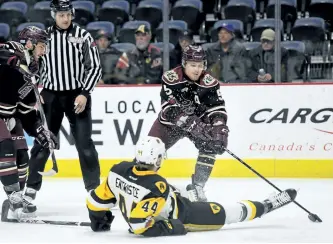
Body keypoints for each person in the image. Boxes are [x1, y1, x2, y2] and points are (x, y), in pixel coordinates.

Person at [86, 136, 297, 236]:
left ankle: (191, 193)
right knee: (228, 212)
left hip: (169, 200)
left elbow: (94, 200)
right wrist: (171, 227)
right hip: (183, 214)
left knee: (178, 189)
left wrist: (99, 221)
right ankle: (266, 205)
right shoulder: (156, 186)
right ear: (158, 159)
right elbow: (139, 225)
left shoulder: (118, 169)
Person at [25, 0, 102, 207]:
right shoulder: (43, 37)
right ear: (53, 15)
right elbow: (33, 65)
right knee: (43, 143)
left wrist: (85, 93)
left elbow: (94, 67)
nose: (65, 18)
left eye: (68, 14)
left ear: (73, 13)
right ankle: (30, 190)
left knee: (85, 145)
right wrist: (34, 93)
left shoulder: (84, 36)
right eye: (61, 15)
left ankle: (95, 190)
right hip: (50, 96)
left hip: (77, 96)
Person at [146, 44, 228, 202]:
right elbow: (169, 109)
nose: (197, 70)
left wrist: (219, 128)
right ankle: (140, 182)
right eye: (193, 65)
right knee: (150, 149)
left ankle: (198, 186)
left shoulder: (209, 83)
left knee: (210, 145)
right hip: (169, 125)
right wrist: (188, 121)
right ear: (184, 64)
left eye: (200, 65)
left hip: (199, 125)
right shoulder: (171, 78)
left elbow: (217, 108)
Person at [0, 26, 57, 220]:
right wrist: (9, 60)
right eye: (42, 46)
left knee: (22, 155)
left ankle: (15, 199)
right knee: (6, 146)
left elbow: (25, 112)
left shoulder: (33, 70)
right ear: (30, 44)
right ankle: (14, 195)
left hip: (10, 115)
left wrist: (39, 130)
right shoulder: (10, 50)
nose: (44, 51)